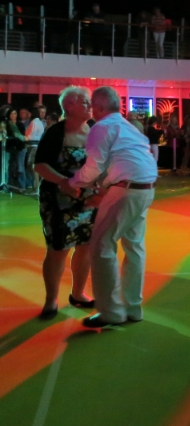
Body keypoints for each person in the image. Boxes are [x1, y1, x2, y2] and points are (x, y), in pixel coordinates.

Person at [65, 86, 158, 327]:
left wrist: (72, 182)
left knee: (102, 246)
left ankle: (111, 311)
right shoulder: (129, 127)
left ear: (99, 106)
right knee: (134, 247)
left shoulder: (102, 127)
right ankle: (132, 308)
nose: (89, 108)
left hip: (125, 190)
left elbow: (93, 167)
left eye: (91, 104)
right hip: (145, 189)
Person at [34, 87, 99, 320]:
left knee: (85, 247)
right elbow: (40, 165)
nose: (90, 106)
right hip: (58, 201)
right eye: (85, 102)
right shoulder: (55, 133)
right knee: (58, 250)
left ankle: (78, 293)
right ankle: (51, 300)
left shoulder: (94, 130)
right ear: (69, 106)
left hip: (88, 200)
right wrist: (63, 181)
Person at [4, 108, 30, 190]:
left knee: (20, 166)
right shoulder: (6, 124)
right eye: (11, 114)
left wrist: (21, 138)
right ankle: (9, 184)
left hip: (20, 148)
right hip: (10, 148)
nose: (13, 115)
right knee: (10, 166)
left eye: (15, 113)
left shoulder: (20, 124)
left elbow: (21, 136)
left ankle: (22, 185)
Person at [26, 105, 48, 191]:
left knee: (32, 166)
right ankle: (36, 186)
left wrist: (23, 138)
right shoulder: (38, 122)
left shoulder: (34, 123)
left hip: (33, 147)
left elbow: (30, 136)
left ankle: (36, 187)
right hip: (35, 147)